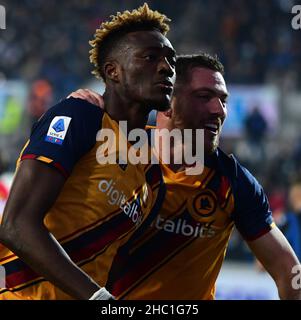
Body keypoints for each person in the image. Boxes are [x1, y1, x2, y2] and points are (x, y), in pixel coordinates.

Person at [71, 53, 301, 300]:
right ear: (167, 102)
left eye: (223, 100)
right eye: (204, 97)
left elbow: (290, 271)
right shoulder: (115, 150)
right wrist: (74, 115)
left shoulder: (233, 183)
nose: (219, 110)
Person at [0, 3, 176, 300]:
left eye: (171, 60)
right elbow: (16, 225)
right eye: (150, 57)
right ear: (113, 71)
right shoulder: (81, 115)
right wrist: (98, 299)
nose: (166, 67)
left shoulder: (146, 166)